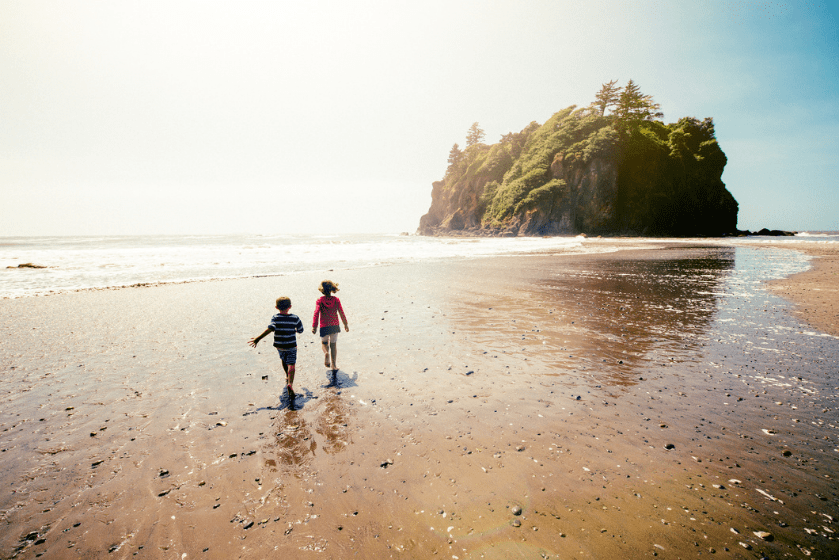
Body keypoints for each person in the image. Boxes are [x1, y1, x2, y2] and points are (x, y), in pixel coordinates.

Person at [249, 296, 304, 407]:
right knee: (291, 364)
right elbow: (301, 330)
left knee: (284, 360)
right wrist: (295, 329)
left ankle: (286, 375)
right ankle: (290, 383)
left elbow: (270, 328)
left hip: (280, 346)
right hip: (291, 345)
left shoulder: (275, 317)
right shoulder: (295, 318)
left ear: (276, 307)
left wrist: (258, 338)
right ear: (290, 307)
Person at [312, 280, 349, 379]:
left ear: (321, 290)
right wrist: (345, 324)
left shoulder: (319, 300)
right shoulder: (336, 300)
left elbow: (316, 313)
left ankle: (326, 353)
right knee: (333, 345)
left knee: (324, 343)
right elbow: (341, 312)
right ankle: (334, 365)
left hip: (324, 326)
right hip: (335, 326)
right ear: (332, 288)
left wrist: (314, 326)